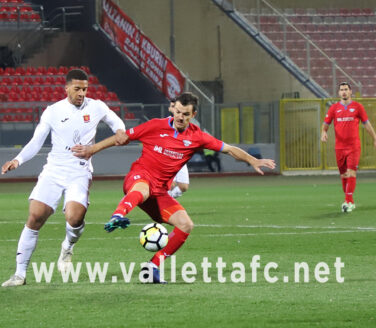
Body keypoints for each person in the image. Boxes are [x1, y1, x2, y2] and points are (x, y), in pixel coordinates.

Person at [72, 92, 275, 283]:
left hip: (160, 192)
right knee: (143, 189)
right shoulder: (154, 126)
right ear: (172, 109)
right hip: (139, 178)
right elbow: (121, 138)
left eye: (185, 114)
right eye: (177, 111)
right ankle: (117, 215)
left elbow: (229, 149)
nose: (180, 117)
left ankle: (152, 267)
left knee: (186, 225)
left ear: (192, 115)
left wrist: (252, 160)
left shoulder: (198, 137)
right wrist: (92, 149)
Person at [1, 69, 126, 287]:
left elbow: (120, 130)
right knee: (35, 216)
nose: (82, 93)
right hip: (54, 171)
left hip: (79, 171)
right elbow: (36, 141)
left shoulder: (97, 106)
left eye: (85, 89)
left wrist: (94, 148)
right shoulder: (53, 111)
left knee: (75, 218)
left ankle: (67, 246)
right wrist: (18, 160)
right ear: (66, 88)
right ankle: (19, 274)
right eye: (77, 88)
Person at [321, 82, 376, 213]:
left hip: (353, 146)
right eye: (341, 90)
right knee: (344, 175)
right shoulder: (334, 108)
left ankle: (349, 202)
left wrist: (374, 137)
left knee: (351, 172)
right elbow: (326, 123)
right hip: (339, 147)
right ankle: (348, 200)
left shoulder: (358, 107)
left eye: (346, 89)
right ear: (339, 93)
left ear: (351, 92)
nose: (344, 92)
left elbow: (366, 124)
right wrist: (323, 132)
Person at [167, 98, 189, 198]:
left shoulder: (184, 123)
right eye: (172, 106)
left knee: (183, 186)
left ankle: (168, 199)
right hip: (167, 157)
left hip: (181, 157)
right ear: (170, 109)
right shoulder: (164, 122)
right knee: (170, 184)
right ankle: (165, 204)